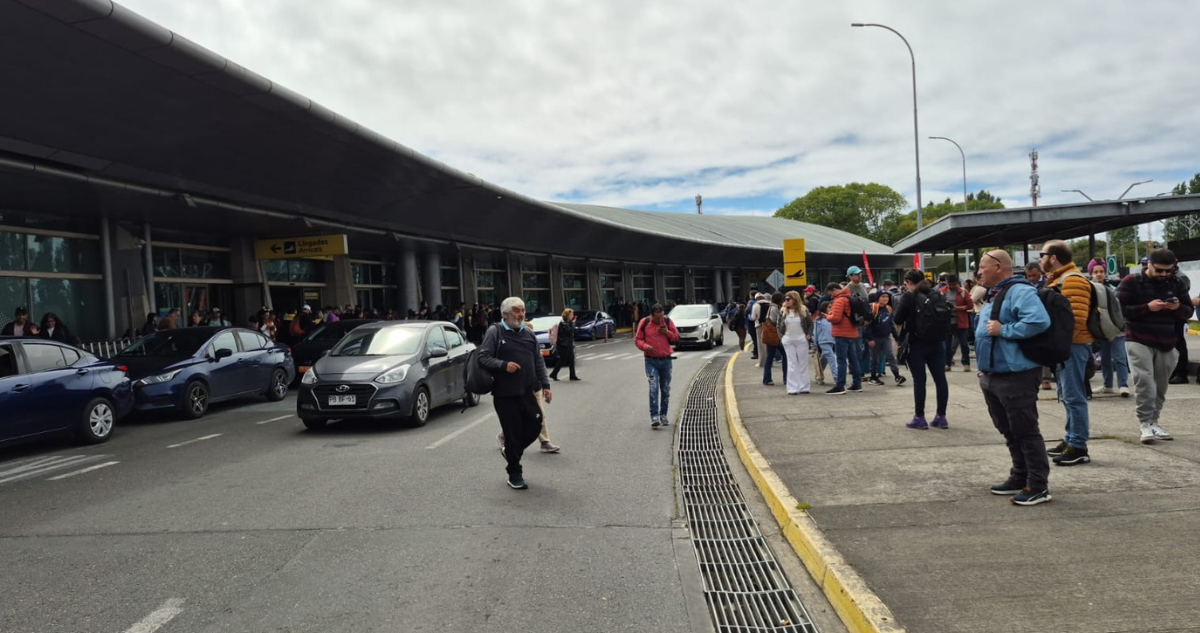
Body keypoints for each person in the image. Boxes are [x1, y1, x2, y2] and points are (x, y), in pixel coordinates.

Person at [974, 249, 1054, 506]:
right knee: (1008, 430)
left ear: (998, 266)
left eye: (983, 267)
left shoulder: (1019, 291)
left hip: (1016, 375)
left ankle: (1038, 485)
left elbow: (1038, 322)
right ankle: (1020, 476)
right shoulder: (994, 293)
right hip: (994, 374)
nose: (979, 273)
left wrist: (1004, 330)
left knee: (1025, 430)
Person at [1119, 249, 1194, 444]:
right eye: (1159, 270)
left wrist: (1177, 308)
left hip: (1167, 340)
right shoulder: (1131, 282)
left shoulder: (1176, 283)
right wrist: (1147, 308)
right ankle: (1144, 423)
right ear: (1148, 265)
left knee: (1161, 385)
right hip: (1137, 337)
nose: (1164, 275)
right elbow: (1119, 309)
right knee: (1144, 381)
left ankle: (1154, 421)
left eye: (1168, 271)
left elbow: (1188, 311)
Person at [478, 297, 552, 490]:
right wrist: (504, 366)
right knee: (511, 432)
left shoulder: (528, 334)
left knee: (535, 425)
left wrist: (546, 385)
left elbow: (538, 362)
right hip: (505, 394)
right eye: (517, 311)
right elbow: (483, 357)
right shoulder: (496, 331)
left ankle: (511, 451)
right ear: (505, 314)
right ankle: (515, 473)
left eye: (523, 310)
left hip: (527, 391)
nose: (521, 314)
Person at [1040, 240, 1094, 467]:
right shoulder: (1060, 278)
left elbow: (1075, 319)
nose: (1040, 259)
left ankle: (1079, 446)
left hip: (1073, 345)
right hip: (1066, 346)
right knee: (1066, 395)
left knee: (1074, 396)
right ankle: (1070, 438)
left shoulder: (1071, 280)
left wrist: (1057, 342)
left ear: (1053, 257)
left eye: (1043, 254)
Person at [894, 269, 949, 429]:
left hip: (916, 343)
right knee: (940, 379)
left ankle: (920, 417)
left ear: (909, 282)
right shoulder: (937, 294)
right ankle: (941, 416)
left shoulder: (909, 295)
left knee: (920, 381)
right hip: (938, 342)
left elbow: (897, 318)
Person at [634, 303, 679, 429]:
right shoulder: (645, 322)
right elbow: (637, 339)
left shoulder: (667, 322)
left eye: (661, 317)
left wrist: (667, 332)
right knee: (653, 387)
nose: (660, 320)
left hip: (666, 360)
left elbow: (676, 336)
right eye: (657, 318)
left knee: (665, 388)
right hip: (651, 361)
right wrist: (645, 346)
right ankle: (654, 416)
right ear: (651, 315)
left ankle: (663, 414)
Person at [1090, 263, 1130, 398]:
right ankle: (1108, 385)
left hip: (1115, 327)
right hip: (1100, 329)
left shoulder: (1114, 287)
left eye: (1101, 271)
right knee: (1105, 358)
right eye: (1096, 271)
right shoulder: (1089, 288)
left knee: (1119, 357)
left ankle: (1123, 385)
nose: (1099, 274)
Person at [825, 282, 862, 395]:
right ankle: (857, 384)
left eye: (831, 293)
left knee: (841, 360)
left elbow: (836, 318)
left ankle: (840, 385)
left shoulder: (839, 300)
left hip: (841, 333)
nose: (831, 296)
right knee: (853, 359)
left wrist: (827, 316)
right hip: (852, 332)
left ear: (835, 290)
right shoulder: (849, 297)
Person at [868, 292, 905, 386]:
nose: (885, 299)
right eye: (883, 297)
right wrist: (870, 338)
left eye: (887, 297)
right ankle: (873, 376)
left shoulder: (888, 309)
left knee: (891, 356)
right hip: (875, 337)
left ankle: (897, 375)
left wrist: (897, 337)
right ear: (878, 298)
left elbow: (891, 324)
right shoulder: (874, 308)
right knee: (875, 358)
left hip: (886, 337)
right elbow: (868, 325)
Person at [779, 291, 812, 395]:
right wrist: (782, 338)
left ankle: (804, 387)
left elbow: (810, 323)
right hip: (788, 340)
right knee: (792, 364)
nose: (786, 301)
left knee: (803, 364)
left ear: (795, 299)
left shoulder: (803, 310)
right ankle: (793, 388)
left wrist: (809, 335)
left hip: (802, 339)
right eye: (785, 299)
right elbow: (778, 325)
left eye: (788, 299)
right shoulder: (783, 311)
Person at [941, 274, 973, 372]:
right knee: (947, 344)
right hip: (947, 322)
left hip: (960, 321)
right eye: (949, 284)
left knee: (964, 344)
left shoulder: (963, 292)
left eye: (953, 284)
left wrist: (957, 308)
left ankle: (966, 363)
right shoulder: (942, 292)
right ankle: (947, 363)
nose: (951, 286)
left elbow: (970, 305)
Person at [761, 292, 787, 387]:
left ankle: (767, 379)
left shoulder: (772, 307)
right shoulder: (775, 308)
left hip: (772, 335)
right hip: (775, 335)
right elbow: (776, 321)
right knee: (782, 356)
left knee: (770, 357)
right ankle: (784, 378)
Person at [548, 308, 580, 381]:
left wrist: (573, 324)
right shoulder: (563, 323)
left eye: (572, 314)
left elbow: (573, 330)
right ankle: (553, 374)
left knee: (571, 360)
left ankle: (572, 375)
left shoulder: (569, 322)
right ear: (567, 315)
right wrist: (574, 323)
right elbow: (569, 331)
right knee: (562, 360)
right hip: (563, 345)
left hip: (569, 344)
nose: (572, 316)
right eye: (571, 314)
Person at [811, 301, 837, 386]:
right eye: (829, 307)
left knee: (824, 359)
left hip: (831, 341)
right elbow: (815, 333)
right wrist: (814, 344)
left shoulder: (832, 318)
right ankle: (837, 378)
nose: (831, 308)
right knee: (832, 358)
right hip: (823, 341)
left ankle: (818, 375)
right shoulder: (819, 320)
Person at [745, 293, 759, 359]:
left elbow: (747, 310)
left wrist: (746, 316)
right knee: (757, 338)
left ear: (751, 295)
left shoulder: (751, 302)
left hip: (751, 321)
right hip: (758, 322)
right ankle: (756, 350)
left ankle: (756, 352)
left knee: (754, 338)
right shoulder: (758, 302)